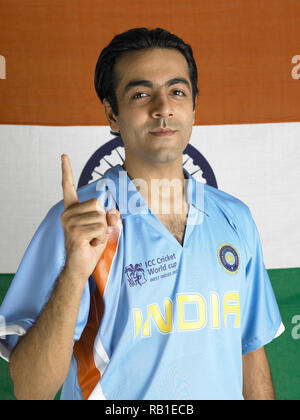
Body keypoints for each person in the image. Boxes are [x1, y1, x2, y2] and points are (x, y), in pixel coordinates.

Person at [0, 28, 284, 400]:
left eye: (177, 92)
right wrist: (74, 272)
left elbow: (249, 350)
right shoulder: (78, 223)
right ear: (112, 114)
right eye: (141, 93)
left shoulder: (235, 218)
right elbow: (31, 390)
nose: (163, 107)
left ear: (194, 107)